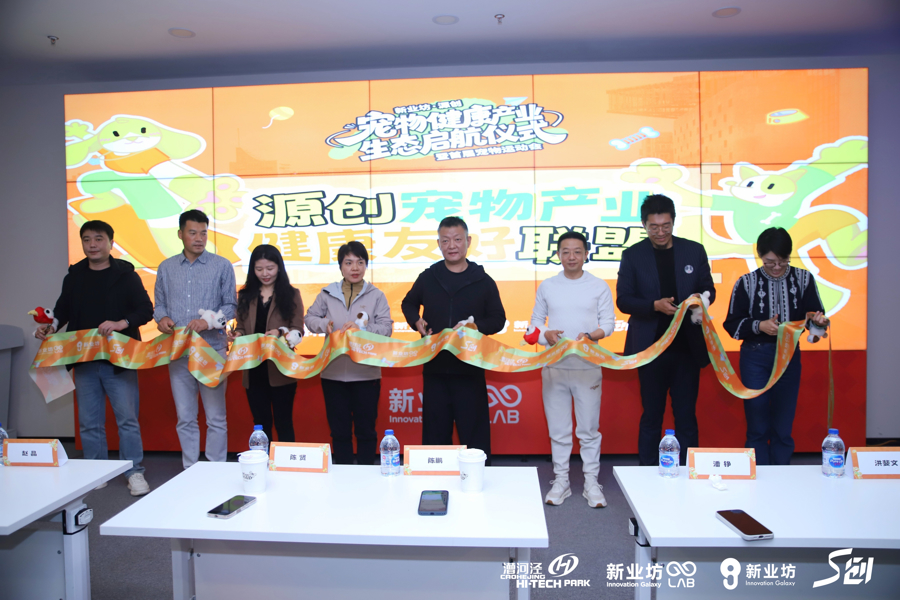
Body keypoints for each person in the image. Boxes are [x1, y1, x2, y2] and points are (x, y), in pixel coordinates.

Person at [37, 220, 153, 495]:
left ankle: (134, 471)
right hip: (84, 359)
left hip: (119, 359)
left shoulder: (126, 275)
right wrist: (52, 327)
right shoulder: (74, 276)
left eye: (98, 239)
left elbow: (145, 310)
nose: (92, 244)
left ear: (111, 243)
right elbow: (62, 310)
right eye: (87, 239)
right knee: (89, 422)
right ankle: (95, 471)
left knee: (127, 420)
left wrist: (121, 323)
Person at [616, 194, 715, 467]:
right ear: (644, 225)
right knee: (651, 416)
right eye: (654, 227)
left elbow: (709, 289)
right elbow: (623, 300)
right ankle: (646, 472)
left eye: (666, 225)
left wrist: (699, 299)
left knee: (686, 416)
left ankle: (689, 470)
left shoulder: (694, 251)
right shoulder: (633, 255)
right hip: (650, 349)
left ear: (673, 221)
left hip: (687, 348)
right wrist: (654, 306)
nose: (660, 232)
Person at [401, 216, 506, 464]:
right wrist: (416, 321)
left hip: (470, 369)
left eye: (457, 239)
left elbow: (498, 319)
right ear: (438, 243)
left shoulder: (483, 280)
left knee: (475, 436)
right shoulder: (429, 277)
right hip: (435, 368)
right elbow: (408, 303)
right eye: (446, 240)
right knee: (435, 437)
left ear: (468, 241)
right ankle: (435, 480)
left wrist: (476, 327)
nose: (452, 245)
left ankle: (478, 479)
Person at [724, 227, 827, 465]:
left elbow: (814, 319)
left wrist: (818, 323)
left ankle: (782, 472)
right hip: (755, 357)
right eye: (770, 262)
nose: (777, 267)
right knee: (757, 423)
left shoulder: (804, 279)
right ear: (760, 255)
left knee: (783, 422)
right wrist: (760, 326)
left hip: (789, 356)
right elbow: (732, 324)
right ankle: (758, 473)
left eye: (783, 261)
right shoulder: (746, 283)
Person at [529, 231, 615, 508]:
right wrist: (546, 334)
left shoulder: (598, 286)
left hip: (587, 366)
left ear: (586, 254)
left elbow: (609, 324)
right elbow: (534, 324)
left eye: (577, 251)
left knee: (588, 430)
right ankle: (561, 481)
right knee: (559, 430)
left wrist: (591, 336)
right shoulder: (548, 286)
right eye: (565, 251)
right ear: (558, 255)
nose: (571, 257)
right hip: (554, 366)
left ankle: (591, 482)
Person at [154, 210, 236, 469]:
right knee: (185, 417)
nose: (199, 238)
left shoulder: (222, 265)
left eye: (203, 233)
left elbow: (231, 306)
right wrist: (162, 319)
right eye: (192, 233)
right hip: (179, 352)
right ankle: (190, 469)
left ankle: (215, 469)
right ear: (180, 234)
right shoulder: (166, 267)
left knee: (216, 417)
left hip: (212, 351)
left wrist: (208, 322)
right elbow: (159, 305)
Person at [305, 241, 393, 465]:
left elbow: (386, 328)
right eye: (349, 263)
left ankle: (366, 474)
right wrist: (324, 324)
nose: (355, 268)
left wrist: (362, 329)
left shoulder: (376, 295)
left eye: (360, 262)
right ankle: (342, 475)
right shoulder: (327, 293)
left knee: (366, 431)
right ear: (340, 267)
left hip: (366, 374)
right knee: (339, 432)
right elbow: (309, 318)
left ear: (366, 265)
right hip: (332, 373)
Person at [230, 245, 304, 444]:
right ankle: (263, 461)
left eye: (270, 268)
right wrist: (238, 334)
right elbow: (242, 326)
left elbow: (298, 330)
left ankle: (285, 462)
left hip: (281, 369)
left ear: (279, 267)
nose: (265, 274)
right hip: (253, 369)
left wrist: (280, 333)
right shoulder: (245, 295)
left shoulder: (291, 294)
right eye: (259, 269)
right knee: (260, 424)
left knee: (283, 423)